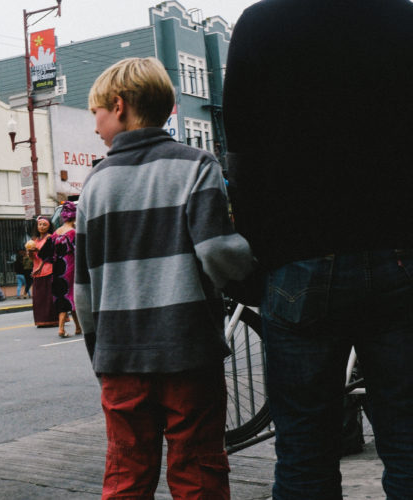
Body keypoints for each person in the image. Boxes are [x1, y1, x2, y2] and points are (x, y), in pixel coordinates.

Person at [223, 2, 413, 498]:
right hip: (399, 255)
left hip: (297, 261)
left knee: (305, 453)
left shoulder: (262, 23)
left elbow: (240, 150)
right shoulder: (402, 18)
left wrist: (257, 256)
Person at [75, 57, 254, 499]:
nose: (94, 124)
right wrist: (249, 266)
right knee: (198, 469)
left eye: (95, 112)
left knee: (127, 472)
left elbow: (83, 291)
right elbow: (216, 252)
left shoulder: (94, 184)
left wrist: (101, 352)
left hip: (120, 358)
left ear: (119, 106)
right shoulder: (196, 165)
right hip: (188, 351)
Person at [38, 201, 79, 337]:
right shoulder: (73, 232)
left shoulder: (56, 233)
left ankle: (76, 327)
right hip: (70, 268)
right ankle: (65, 328)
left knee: (65, 297)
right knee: (69, 296)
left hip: (57, 269)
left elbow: (43, 254)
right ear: (74, 216)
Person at [26, 216, 58, 327]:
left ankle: (52, 320)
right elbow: (33, 258)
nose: (42, 227)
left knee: (49, 297)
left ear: (49, 226)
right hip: (37, 271)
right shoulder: (34, 240)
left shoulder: (50, 238)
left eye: (44, 225)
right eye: (40, 224)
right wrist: (30, 252)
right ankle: (41, 320)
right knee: (39, 298)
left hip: (48, 269)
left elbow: (49, 254)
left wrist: (38, 251)